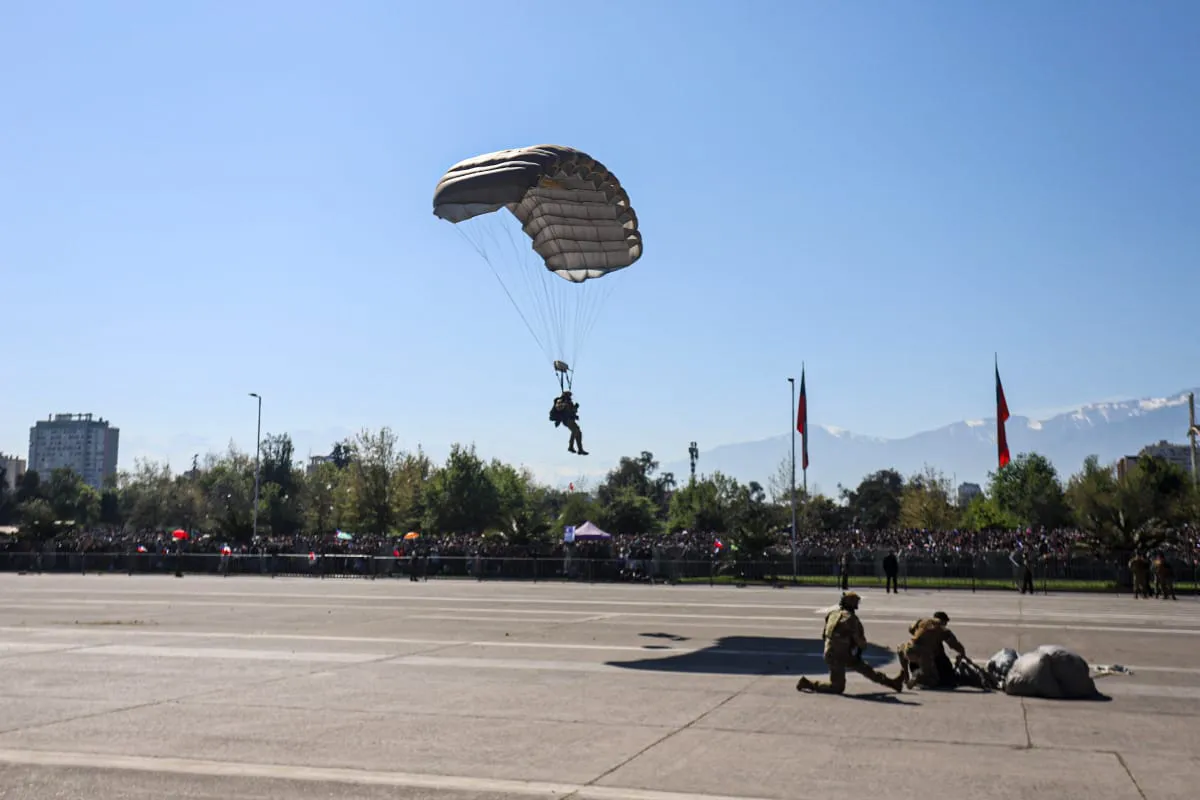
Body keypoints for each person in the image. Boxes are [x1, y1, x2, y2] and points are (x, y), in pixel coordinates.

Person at [796, 592, 905, 695]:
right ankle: (808, 683)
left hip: (833, 653)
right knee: (837, 687)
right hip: (840, 656)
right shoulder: (851, 619)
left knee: (865, 669)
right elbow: (861, 641)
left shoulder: (832, 614)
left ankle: (893, 683)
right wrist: (859, 649)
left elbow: (824, 635)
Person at [897, 611, 966, 689]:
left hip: (910, 650)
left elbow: (911, 629)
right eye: (946, 622)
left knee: (901, 649)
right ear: (943, 621)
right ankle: (917, 676)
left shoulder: (922, 621)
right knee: (933, 680)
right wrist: (962, 652)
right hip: (923, 655)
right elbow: (954, 644)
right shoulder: (942, 629)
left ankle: (906, 677)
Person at [549, 391, 588, 455]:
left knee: (576, 432)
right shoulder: (561, 401)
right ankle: (577, 449)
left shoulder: (569, 402)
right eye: (570, 396)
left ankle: (573, 447)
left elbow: (571, 411)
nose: (571, 397)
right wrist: (564, 405)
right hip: (566, 420)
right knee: (577, 431)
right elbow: (559, 409)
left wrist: (575, 408)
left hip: (570, 420)